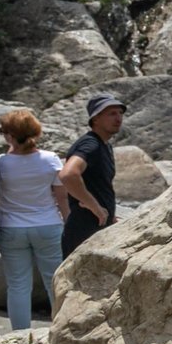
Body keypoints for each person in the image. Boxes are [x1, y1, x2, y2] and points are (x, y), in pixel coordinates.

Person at [0, 109, 68, 329]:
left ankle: (20, 336)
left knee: (17, 285)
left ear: (9, 135)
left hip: (11, 227)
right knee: (55, 281)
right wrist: (68, 221)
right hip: (48, 224)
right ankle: (61, 330)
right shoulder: (50, 159)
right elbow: (62, 197)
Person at [59, 94, 122, 258]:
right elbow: (68, 174)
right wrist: (95, 207)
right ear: (95, 119)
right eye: (112, 114)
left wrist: (109, 215)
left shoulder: (104, 145)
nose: (118, 118)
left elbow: (98, 185)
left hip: (97, 228)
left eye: (120, 113)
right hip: (84, 230)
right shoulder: (90, 144)